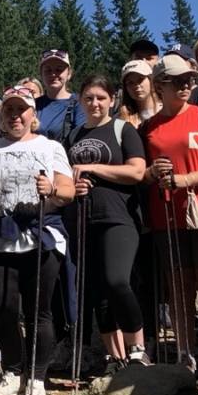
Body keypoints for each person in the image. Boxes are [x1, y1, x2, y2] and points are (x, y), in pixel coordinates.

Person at [0, 86, 77, 395]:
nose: (15, 116)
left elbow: (68, 191)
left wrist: (51, 188)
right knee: (2, 308)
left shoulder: (51, 147)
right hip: (1, 237)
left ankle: (36, 378)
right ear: (2, 115)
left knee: (38, 311)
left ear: (33, 115)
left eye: (22, 110)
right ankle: (13, 371)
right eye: (9, 110)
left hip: (41, 235)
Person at [140, 56, 198, 386]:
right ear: (159, 86)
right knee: (179, 287)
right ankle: (186, 354)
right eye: (177, 81)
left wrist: (186, 180)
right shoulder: (148, 128)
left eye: (189, 80)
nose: (185, 86)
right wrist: (153, 173)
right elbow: (142, 171)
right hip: (166, 216)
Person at [68, 75, 149, 367]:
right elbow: (66, 176)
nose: (95, 103)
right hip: (83, 219)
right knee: (97, 290)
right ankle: (115, 357)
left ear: (112, 100)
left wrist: (93, 167)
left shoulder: (122, 130)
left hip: (118, 216)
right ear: (80, 100)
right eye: (88, 98)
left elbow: (137, 171)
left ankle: (137, 348)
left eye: (101, 98)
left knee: (117, 281)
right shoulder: (73, 135)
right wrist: (74, 186)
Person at [35, 50, 81, 144]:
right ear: (41, 74)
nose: (53, 74)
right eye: (48, 70)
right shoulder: (33, 105)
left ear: (69, 74)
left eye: (59, 70)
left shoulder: (79, 103)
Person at [118, 59, 159, 124]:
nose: (136, 85)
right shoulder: (121, 120)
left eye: (140, 79)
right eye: (130, 82)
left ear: (150, 80)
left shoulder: (166, 109)